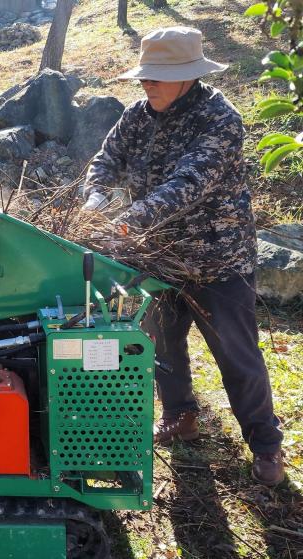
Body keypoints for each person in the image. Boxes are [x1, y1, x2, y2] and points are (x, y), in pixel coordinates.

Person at [83, 27, 284, 486]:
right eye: (144, 76)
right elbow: (105, 160)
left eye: (158, 76)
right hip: (158, 260)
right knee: (162, 345)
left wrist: (127, 219)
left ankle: (266, 443)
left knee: (236, 354)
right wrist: (94, 199)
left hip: (218, 261)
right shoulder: (137, 115)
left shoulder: (220, 119)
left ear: (189, 77)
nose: (146, 84)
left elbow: (189, 184)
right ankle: (180, 414)